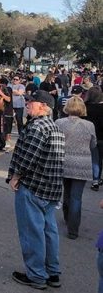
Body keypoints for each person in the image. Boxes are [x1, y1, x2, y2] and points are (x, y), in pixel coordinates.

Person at [7, 90, 64, 289]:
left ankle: (37, 275)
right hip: (51, 187)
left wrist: (15, 177)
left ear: (43, 106)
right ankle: (52, 271)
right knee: (49, 231)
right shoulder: (54, 127)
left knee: (32, 232)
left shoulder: (38, 126)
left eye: (32, 102)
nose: (28, 104)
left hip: (34, 186)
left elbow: (28, 158)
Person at [55, 96, 96, 239]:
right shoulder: (89, 125)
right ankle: (73, 229)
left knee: (66, 192)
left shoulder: (59, 123)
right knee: (76, 197)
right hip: (83, 164)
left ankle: (67, 217)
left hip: (64, 161)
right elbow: (93, 145)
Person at [85, 86, 103, 190]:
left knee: (95, 159)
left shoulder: (86, 107)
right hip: (101, 135)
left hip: (92, 136)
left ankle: (95, 180)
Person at [0, 77, 14, 151]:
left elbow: (8, 99)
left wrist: (0, 93)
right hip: (0, 112)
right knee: (1, 129)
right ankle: (2, 144)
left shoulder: (7, 89)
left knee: (5, 129)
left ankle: (4, 144)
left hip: (6, 112)